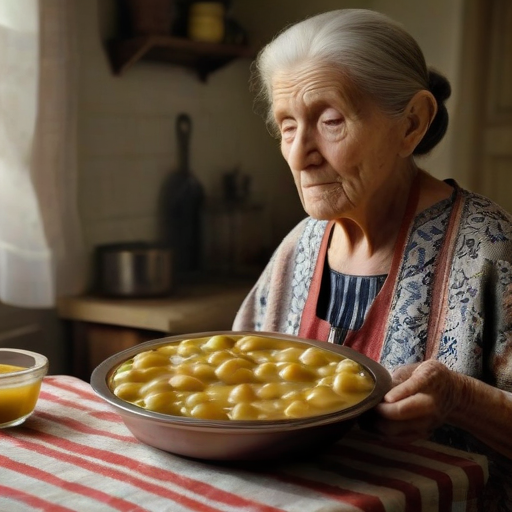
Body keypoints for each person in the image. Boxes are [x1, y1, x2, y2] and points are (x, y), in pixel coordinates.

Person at [232, 9, 512, 511]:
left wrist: (461, 400)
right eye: (287, 125)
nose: (299, 155)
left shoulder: (491, 249)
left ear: (411, 124)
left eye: (331, 121)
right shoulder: (299, 247)